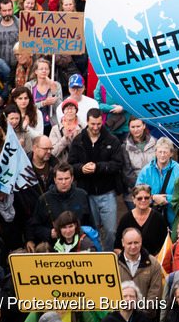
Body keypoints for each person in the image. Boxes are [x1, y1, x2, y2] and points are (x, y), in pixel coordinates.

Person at [68, 107, 124, 252]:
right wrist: (81, 169)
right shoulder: (78, 140)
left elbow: (118, 164)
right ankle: (95, 255)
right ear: (87, 122)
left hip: (107, 192)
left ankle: (108, 255)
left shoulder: (112, 140)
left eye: (98, 124)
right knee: (91, 230)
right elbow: (70, 165)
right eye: (92, 124)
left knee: (111, 231)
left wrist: (98, 167)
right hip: (86, 193)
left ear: (102, 122)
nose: (95, 127)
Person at [117, 227, 166, 307]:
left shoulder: (153, 264)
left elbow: (155, 294)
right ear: (123, 243)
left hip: (145, 316)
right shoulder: (114, 263)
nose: (133, 246)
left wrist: (142, 315)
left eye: (136, 243)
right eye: (129, 243)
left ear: (141, 242)